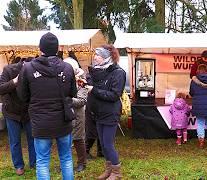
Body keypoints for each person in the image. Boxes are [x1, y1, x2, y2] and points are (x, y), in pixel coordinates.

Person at [17, 32, 77, 179]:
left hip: (41, 122)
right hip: (63, 120)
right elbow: (73, 92)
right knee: (66, 158)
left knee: (42, 161)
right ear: (57, 49)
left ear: (40, 48)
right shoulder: (67, 67)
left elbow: (22, 96)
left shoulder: (28, 68)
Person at [85, 45, 126, 179]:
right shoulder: (96, 71)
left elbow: (114, 95)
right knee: (102, 144)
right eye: (95, 55)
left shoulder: (118, 72)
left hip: (110, 113)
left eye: (99, 55)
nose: (95, 57)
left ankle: (116, 172)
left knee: (108, 144)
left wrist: (93, 90)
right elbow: (93, 84)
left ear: (108, 57)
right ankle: (109, 170)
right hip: (98, 112)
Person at [0, 57, 36, 176]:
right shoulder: (8, 70)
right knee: (15, 141)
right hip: (11, 112)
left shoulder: (35, 70)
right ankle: (19, 166)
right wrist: (14, 82)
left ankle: (34, 164)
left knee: (33, 138)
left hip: (28, 111)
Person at [64, 58, 88, 172]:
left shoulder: (81, 80)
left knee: (78, 139)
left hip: (77, 115)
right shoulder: (63, 78)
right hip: (65, 114)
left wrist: (67, 100)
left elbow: (82, 100)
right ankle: (66, 164)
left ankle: (82, 163)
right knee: (65, 140)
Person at [189, 64, 207, 148]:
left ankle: (201, 142)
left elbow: (191, 93)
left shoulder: (194, 80)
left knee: (200, 123)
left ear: (198, 70)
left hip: (198, 105)